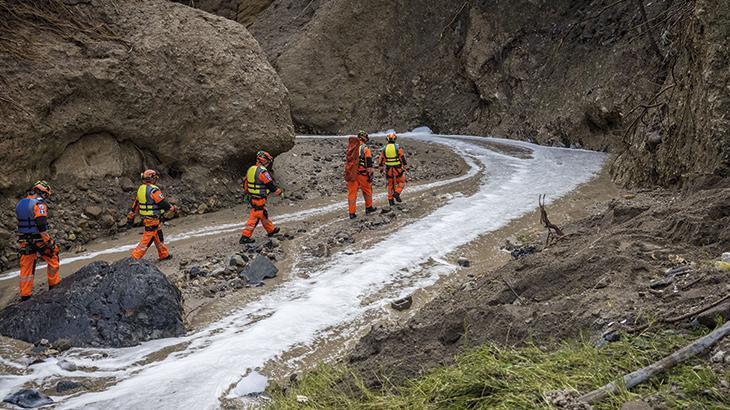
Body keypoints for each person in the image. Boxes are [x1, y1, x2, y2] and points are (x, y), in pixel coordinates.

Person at [15, 180, 60, 300]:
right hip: (38, 239)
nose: (46, 197)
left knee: (26, 267)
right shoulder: (39, 204)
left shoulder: (20, 203)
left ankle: (25, 295)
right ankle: (54, 286)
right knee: (53, 256)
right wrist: (49, 242)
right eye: (46, 195)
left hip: (24, 240)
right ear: (42, 192)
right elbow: (41, 225)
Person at [127, 170, 176, 260]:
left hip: (149, 218)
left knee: (158, 236)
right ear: (153, 178)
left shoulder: (141, 189)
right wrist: (171, 208)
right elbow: (162, 203)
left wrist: (131, 216)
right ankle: (134, 258)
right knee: (147, 240)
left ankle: (164, 254)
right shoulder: (153, 190)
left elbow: (135, 205)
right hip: (152, 219)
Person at [240, 150, 282, 244]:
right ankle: (245, 237)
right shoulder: (263, 172)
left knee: (263, 214)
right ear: (264, 161)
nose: (268, 164)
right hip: (259, 198)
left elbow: (245, 183)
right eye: (267, 162)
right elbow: (270, 185)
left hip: (252, 197)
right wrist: (278, 191)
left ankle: (271, 230)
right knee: (255, 217)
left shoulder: (251, 169)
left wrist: (247, 193)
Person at [346, 130, 377, 219]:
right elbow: (369, 164)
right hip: (362, 174)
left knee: (352, 194)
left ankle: (352, 213)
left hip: (352, 173)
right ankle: (369, 207)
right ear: (365, 138)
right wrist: (370, 174)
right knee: (367, 191)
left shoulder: (351, 147)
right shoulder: (365, 149)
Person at [379, 132, 407, 206]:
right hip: (398, 169)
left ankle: (390, 200)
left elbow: (381, 159)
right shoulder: (398, 148)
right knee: (401, 182)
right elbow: (402, 158)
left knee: (390, 185)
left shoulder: (384, 149)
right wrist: (405, 166)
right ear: (395, 139)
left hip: (389, 169)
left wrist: (381, 167)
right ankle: (397, 193)